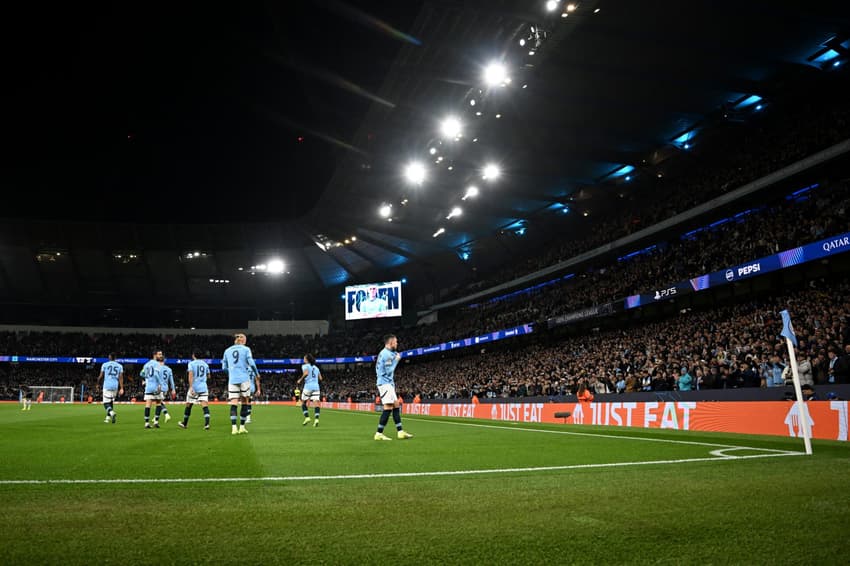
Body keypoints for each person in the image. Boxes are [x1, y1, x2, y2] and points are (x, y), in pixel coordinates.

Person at [374, 334, 412, 440]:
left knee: (396, 405)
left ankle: (400, 432)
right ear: (390, 343)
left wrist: (395, 356)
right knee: (388, 407)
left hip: (387, 383)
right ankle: (379, 433)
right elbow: (389, 370)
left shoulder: (387, 353)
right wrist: (397, 360)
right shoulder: (386, 354)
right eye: (396, 342)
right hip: (385, 384)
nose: (397, 343)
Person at [222, 333, 260, 435]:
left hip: (233, 379)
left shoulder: (227, 350)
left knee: (233, 403)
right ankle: (242, 427)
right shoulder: (246, 349)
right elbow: (251, 363)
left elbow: (223, 368)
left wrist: (231, 374)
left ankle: (234, 428)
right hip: (244, 378)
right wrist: (257, 374)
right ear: (242, 341)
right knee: (245, 402)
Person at [179, 352, 211, 430]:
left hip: (194, 387)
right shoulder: (205, 364)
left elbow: (190, 376)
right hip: (203, 387)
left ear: (193, 356)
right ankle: (207, 424)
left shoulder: (191, 364)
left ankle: (185, 423)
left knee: (188, 405)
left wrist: (191, 387)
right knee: (205, 406)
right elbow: (209, 376)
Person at [141, 350, 166, 429]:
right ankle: (156, 422)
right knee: (158, 403)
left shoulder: (146, 365)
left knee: (148, 404)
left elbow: (141, 374)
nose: (161, 356)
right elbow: (156, 374)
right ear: (155, 355)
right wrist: (159, 384)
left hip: (148, 387)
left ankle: (146, 423)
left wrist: (145, 380)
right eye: (159, 354)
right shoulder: (157, 364)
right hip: (156, 386)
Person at [297, 353, 323, 427]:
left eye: (304, 358)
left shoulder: (304, 366)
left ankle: (307, 417)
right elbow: (321, 378)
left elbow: (306, 373)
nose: (303, 359)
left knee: (303, 402)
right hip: (316, 387)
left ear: (307, 359)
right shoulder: (316, 368)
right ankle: (316, 419)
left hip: (308, 386)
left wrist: (300, 379)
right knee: (316, 403)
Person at [98, 353, 124, 423]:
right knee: (111, 402)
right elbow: (121, 377)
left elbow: (101, 376)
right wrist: (121, 388)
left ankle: (112, 413)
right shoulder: (120, 366)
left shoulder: (105, 364)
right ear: (115, 358)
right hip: (115, 386)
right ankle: (108, 417)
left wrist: (97, 383)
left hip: (107, 385)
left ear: (109, 357)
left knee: (105, 403)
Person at [158, 359, 176, 423]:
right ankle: (155, 418)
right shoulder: (169, 369)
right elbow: (171, 381)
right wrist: (173, 389)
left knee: (159, 402)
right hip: (166, 388)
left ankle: (166, 414)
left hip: (159, 388)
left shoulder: (157, 368)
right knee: (159, 402)